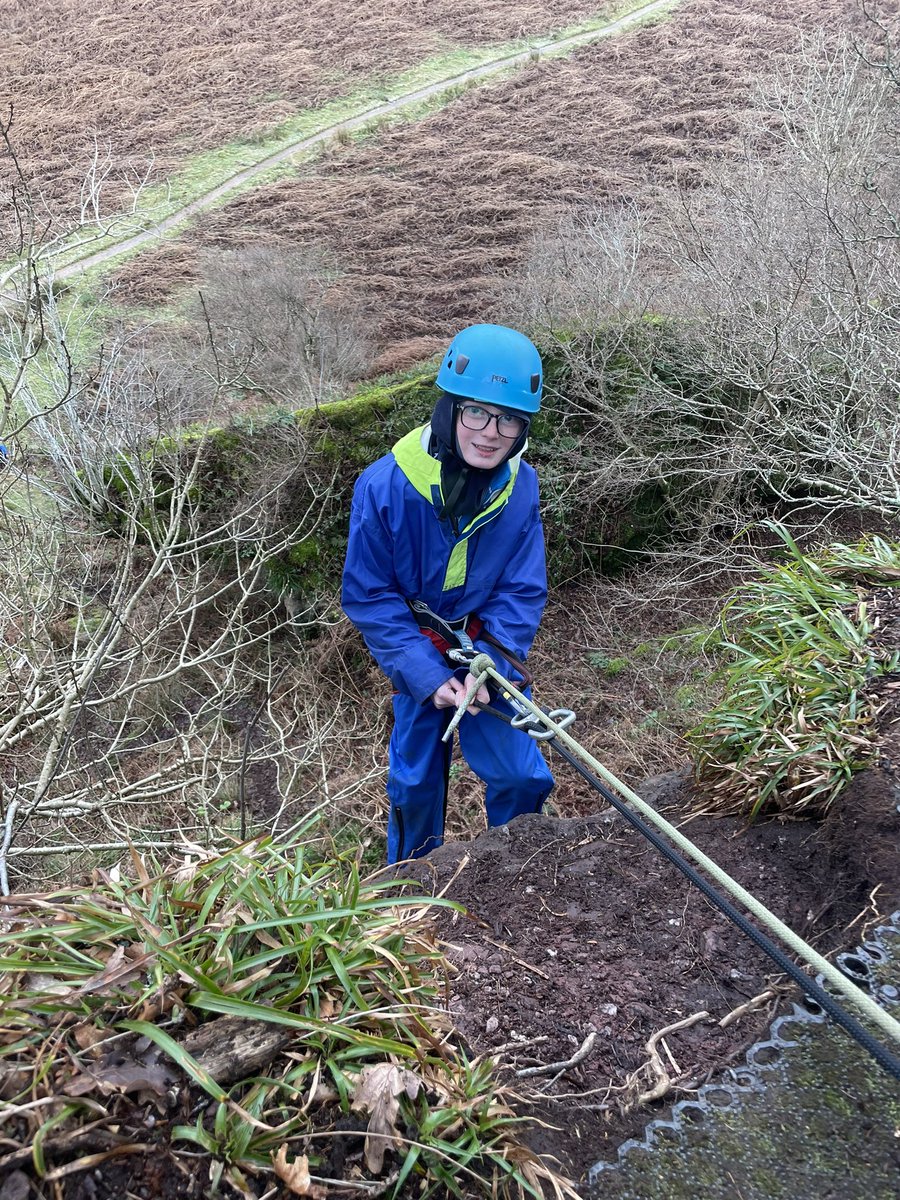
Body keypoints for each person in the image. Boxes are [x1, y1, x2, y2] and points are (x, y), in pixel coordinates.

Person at [341, 323, 555, 863]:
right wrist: (427, 675)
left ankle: (514, 871)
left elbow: (522, 587)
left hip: (487, 655)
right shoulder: (386, 487)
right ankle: (415, 881)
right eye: (477, 412)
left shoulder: (519, 485)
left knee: (523, 777)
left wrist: (490, 664)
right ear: (450, 409)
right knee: (414, 787)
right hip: (421, 654)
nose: (491, 432)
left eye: (509, 419)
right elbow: (370, 595)